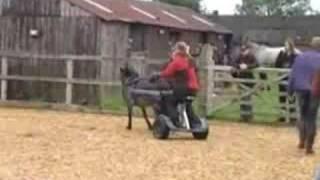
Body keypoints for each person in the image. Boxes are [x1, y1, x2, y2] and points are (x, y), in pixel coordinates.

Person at [151, 41, 201, 128]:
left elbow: (167, 73)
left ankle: (174, 120)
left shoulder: (177, 61)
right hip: (194, 89)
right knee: (187, 104)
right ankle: (195, 122)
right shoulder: (190, 60)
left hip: (184, 88)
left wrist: (157, 75)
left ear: (177, 51)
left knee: (168, 99)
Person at [288, 36, 320, 155]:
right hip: (314, 91)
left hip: (301, 90)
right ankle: (309, 147)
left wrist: (290, 90)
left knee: (302, 115)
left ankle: (302, 141)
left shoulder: (300, 57)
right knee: (311, 118)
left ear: (311, 45)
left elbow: (293, 74)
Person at [232, 45, 258, 122]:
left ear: (248, 50)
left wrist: (247, 66)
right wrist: (239, 66)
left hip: (249, 80)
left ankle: (249, 116)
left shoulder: (251, 56)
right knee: (242, 98)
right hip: (241, 79)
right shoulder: (240, 56)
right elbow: (233, 63)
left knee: (248, 99)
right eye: (242, 50)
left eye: (244, 50)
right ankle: (243, 116)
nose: (243, 52)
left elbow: (256, 64)